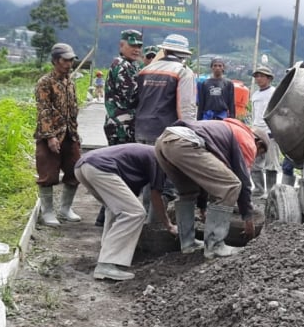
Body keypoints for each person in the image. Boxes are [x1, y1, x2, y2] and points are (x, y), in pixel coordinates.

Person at [154, 119, 262, 259]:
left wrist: (202, 206)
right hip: (184, 143)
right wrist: (248, 217)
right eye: (260, 152)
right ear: (258, 143)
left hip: (164, 142)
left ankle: (187, 243)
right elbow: (243, 181)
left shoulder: (224, 131)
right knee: (231, 185)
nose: (256, 156)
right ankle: (215, 246)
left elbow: (206, 178)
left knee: (188, 192)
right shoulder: (248, 141)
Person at [74, 143, 177, 281]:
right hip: (100, 167)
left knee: (116, 209)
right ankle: (107, 265)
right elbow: (156, 196)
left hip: (83, 166)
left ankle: (107, 253)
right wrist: (169, 225)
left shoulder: (145, 157)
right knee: (135, 213)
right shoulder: (160, 159)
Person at [135, 33, 197, 220]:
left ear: (165, 49)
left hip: (141, 129)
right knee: (163, 183)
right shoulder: (183, 72)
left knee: (147, 178)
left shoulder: (146, 70)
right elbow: (186, 107)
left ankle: (146, 222)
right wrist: (190, 134)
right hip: (165, 133)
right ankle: (155, 225)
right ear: (183, 54)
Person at [96, 29, 143, 227]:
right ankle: (109, 216)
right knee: (121, 173)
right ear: (121, 45)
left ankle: (106, 216)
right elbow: (131, 96)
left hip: (123, 124)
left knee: (120, 172)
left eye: (139, 46)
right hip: (121, 126)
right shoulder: (122, 66)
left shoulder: (131, 65)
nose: (136, 49)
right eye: (132, 45)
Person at [34, 43, 82, 227]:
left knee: (75, 171)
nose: (69, 63)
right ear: (55, 61)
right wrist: (50, 136)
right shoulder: (45, 82)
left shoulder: (70, 82)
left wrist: (76, 132)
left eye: (71, 60)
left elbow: (73, 109)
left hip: (70, 134)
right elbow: (44, 110)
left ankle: (65, 208)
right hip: (50, 135)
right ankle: (47, 212)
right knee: (48, 174)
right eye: (65, 60)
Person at [250, 65, 281, 199]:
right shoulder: (255, 95)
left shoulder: (274, 93)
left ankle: (271, 192)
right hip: (257, 132)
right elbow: (254, 113)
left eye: (261, 76)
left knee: (271, 165)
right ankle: (258, 189)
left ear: (269, 78)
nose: (258, 79)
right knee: (254, 163)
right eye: (257, 76)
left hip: (270, 132)